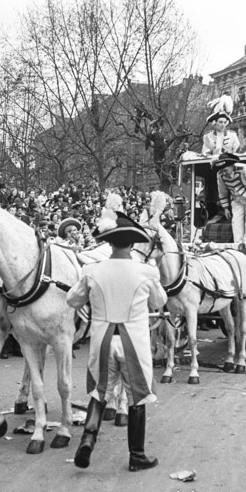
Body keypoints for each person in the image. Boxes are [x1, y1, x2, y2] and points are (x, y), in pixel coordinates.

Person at [67, 199, 167, 472]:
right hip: (134, 341)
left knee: (100, 392)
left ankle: (87, 439)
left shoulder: (92, 270)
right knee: (137, 397)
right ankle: (137, 455)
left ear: (110, 244)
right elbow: (159, 303)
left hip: (102, 340)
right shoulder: (146, 271)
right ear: (132, 244)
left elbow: (72, 301)